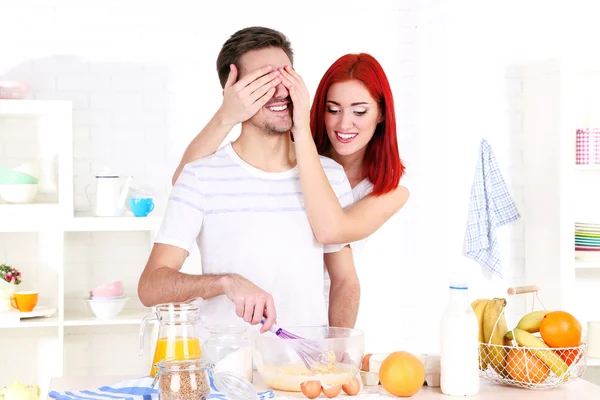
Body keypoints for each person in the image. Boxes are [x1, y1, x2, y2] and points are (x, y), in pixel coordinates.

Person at [138, 26, 360, 333]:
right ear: (233, 92)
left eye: (285, 76)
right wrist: (224, 282)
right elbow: (150, 287)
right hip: (225, 373)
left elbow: (345, 280)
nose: (280, 91)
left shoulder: (330, 177)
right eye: (262, 81)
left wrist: (338, 351)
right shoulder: (200, 177)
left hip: (302, 372)